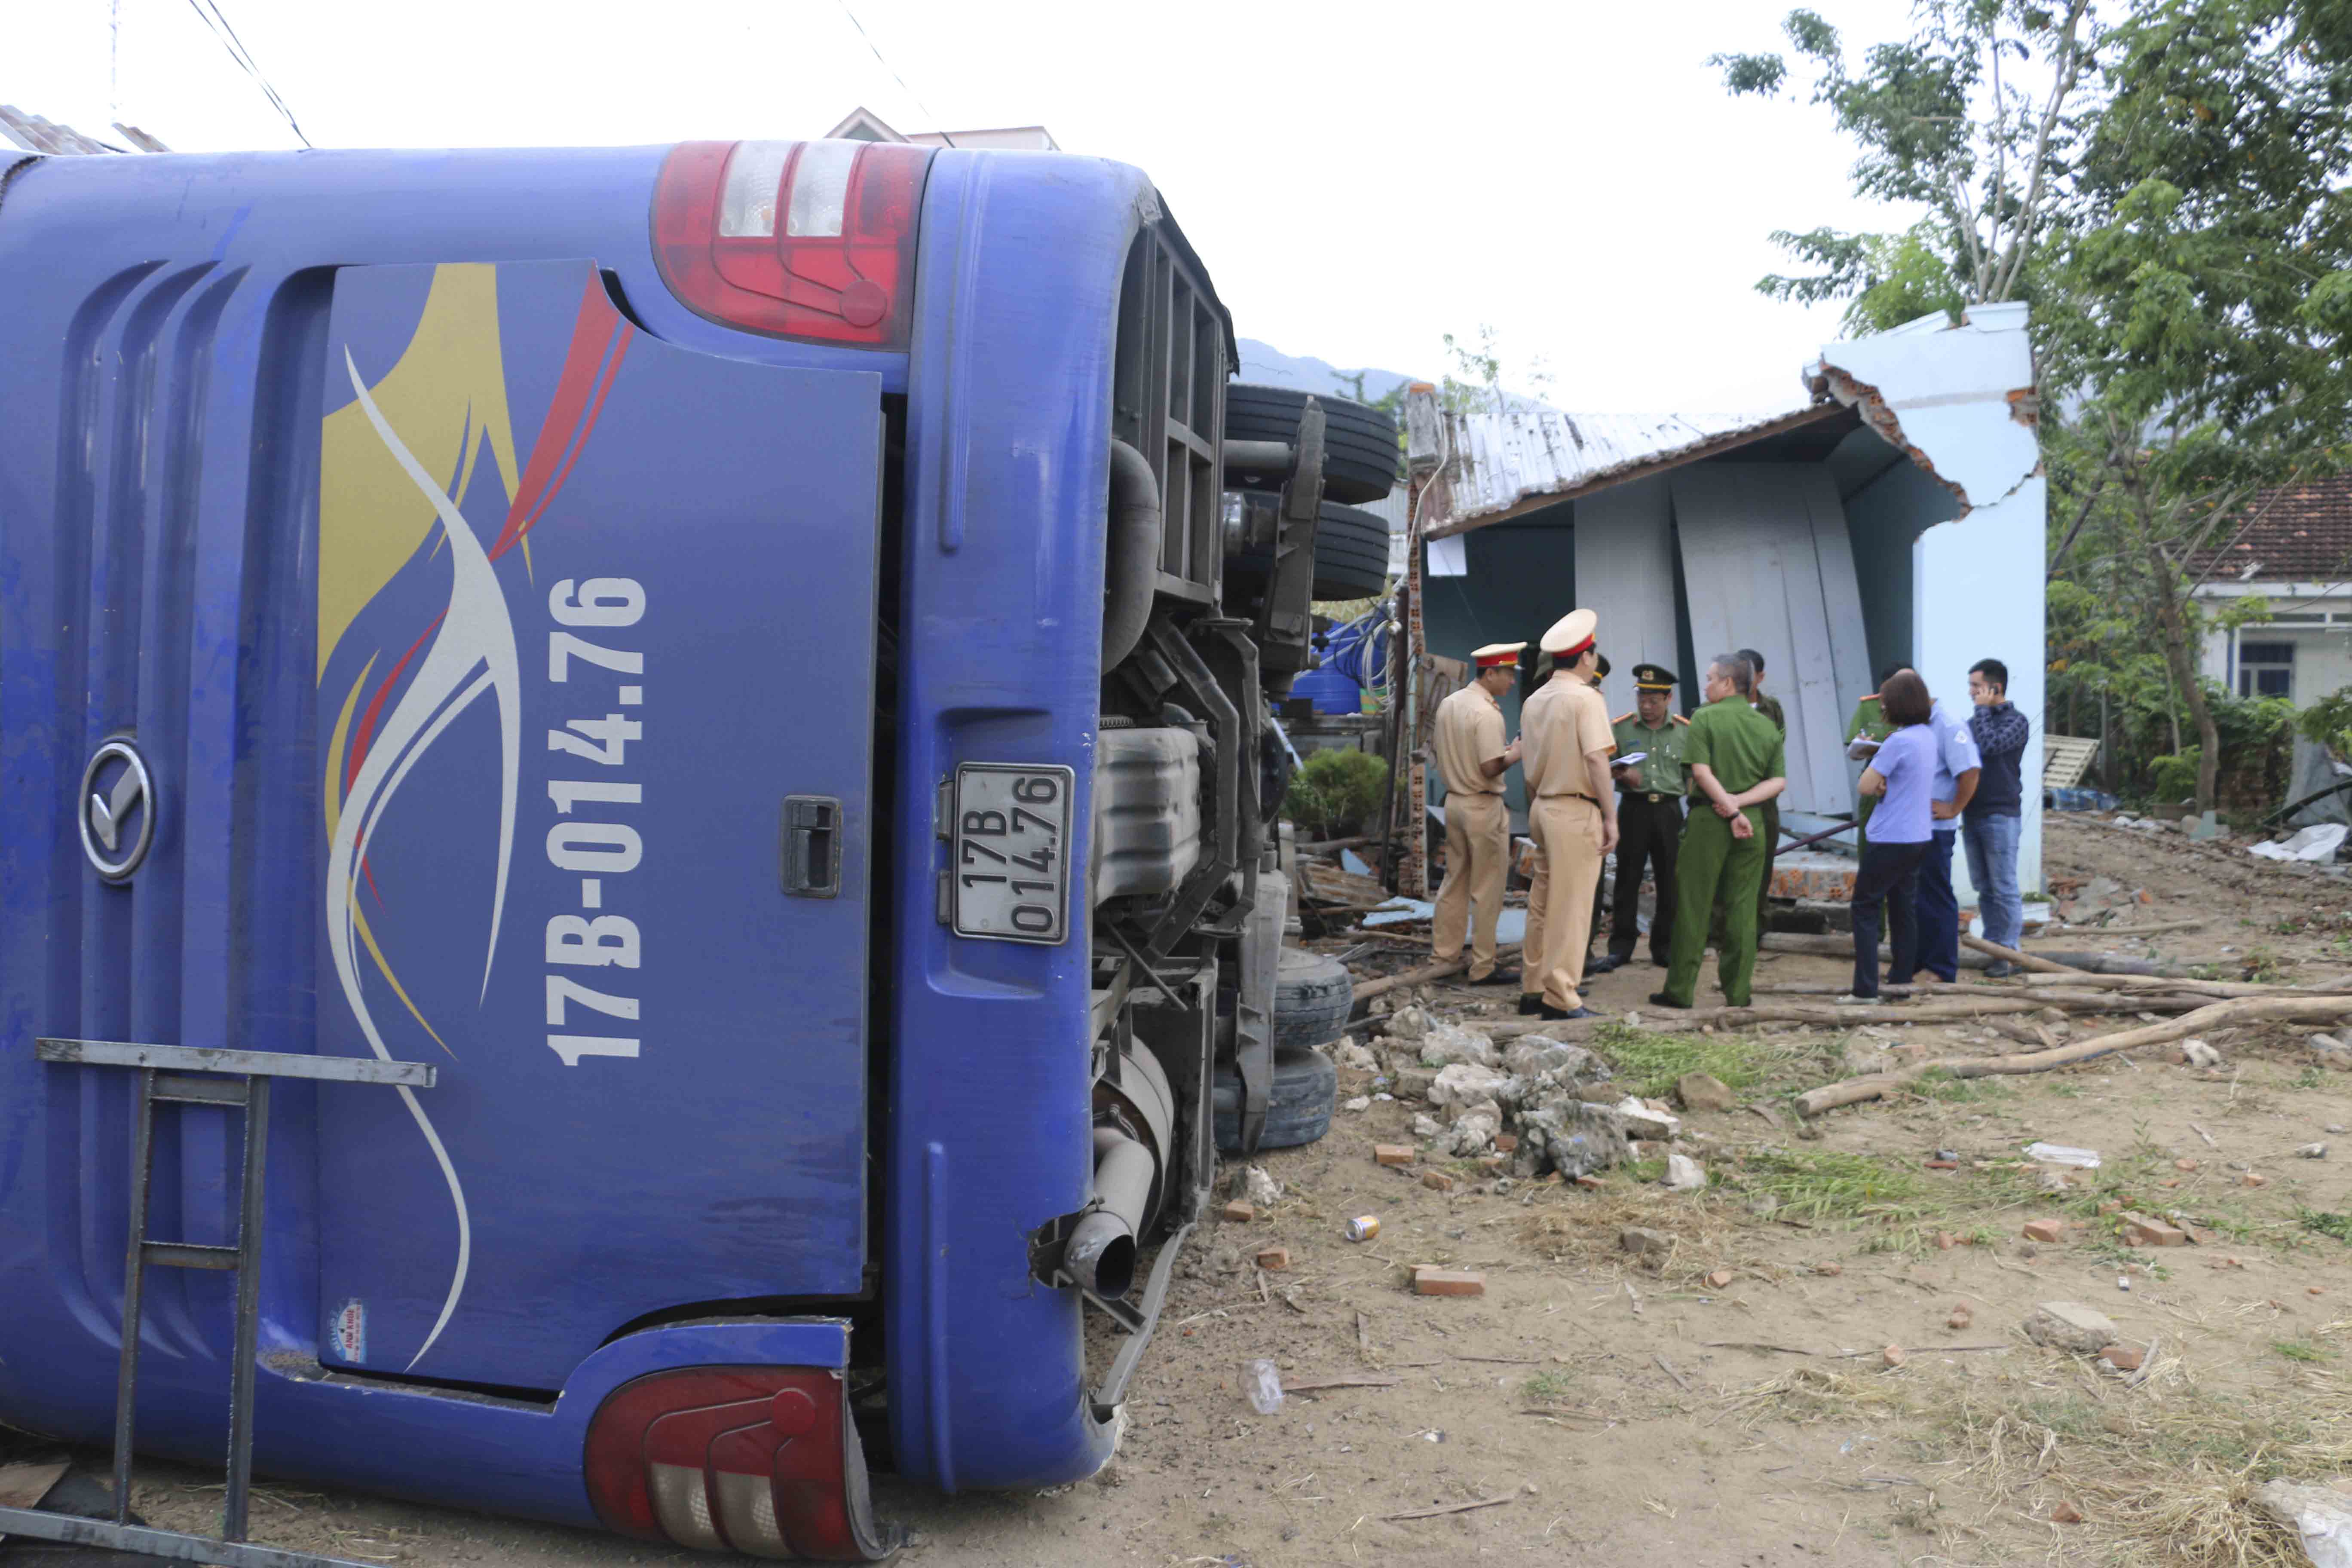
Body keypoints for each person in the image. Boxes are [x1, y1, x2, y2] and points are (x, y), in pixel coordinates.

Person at [1653, 654, 1785, 1011]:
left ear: (1729, 684)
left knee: (1695, 905)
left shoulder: (1705, 717)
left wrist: (1727, 805)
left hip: (1710, 820)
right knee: (1743, 909)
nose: (1706, 685)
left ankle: (1680, 990)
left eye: (1711, 679)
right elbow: (1778, 782)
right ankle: (1738, 992)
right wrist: (1741, 804)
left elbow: (1700, 771)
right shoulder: (1766, 726)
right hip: (1753, 822)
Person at [1517, 609, 1619, 1022]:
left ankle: (1533, 988)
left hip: (1543, 806)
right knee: (1573, 907)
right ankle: (1561, 996)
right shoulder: (1586, 698)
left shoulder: (1534, 700)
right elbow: (1597, 761)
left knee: (1542, 903)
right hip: (1575, 808)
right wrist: (1611, 818)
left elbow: (1527, 762)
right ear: (1586, 658)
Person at [1430, 642, 1526, 986]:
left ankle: (1443, 957)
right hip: (1482, 804)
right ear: (1490, 673)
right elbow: (1489, 767)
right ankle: (1483, 966)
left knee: (1454, 883)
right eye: (1508, 674)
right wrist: (1516, 752)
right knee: (1487, 889)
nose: (1512, 682)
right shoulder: (1487, 714)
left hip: (1454, 801)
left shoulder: (1450, 703)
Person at [1841, 670, 1938, 1001]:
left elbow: (1866, 785)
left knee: (1865, 908)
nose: (1882, 708)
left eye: (1885, 702)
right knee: (1903, 909)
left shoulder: (1898, 741)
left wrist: (1880, 781)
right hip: (1919, 835)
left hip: (1890, 837)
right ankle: (1900, 984)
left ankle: (1865, 989)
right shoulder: (1927, 736)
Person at [1591, 663, 1687, 974]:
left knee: (1670, 880)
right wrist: (1622, 775)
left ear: (1668, 699)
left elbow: (1693, 773)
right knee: (1627, 880)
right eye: (1641, 699)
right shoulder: (1622, 728)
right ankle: (1621, 947)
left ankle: (1665, 947)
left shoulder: (1685, 731)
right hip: (1633, 808)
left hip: (1670, 811)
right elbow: (1601, 766)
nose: (1646, 707)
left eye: (1654, 701)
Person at [1911, 672, 1983, 983]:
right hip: (1911, 827)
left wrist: (1954, 808)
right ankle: (1916, 963)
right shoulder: (1915, 723)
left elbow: (1970, 772)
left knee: (1936, 896)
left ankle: (1942, 968)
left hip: (1936, 829)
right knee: (1916, 898)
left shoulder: (1950, 726)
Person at [1963, 658, 2031, 977]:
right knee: (1985, 887)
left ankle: (2010, 953)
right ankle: (1993, 949)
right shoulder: (1976, 720)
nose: (1972, 693)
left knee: (2004, 886)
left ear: (1996, 688)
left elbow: (1990, 745)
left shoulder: (2016, 721)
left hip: (2001, 815)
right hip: (1973, 812)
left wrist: (1982, 710)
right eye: (1971, 687)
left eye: (1976, 687)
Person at [1740, 647, 1786, 933]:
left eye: (1749, 674)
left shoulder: (1772, 709)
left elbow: (1777, 747)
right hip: (1731, 798)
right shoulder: (1718, 708)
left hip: (1765, 799)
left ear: (1760, 677)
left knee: (1763, 865)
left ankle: (1756, 928)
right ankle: (1721, 933)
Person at [1844, 665, 1902, 849]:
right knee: (1869, 840)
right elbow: (1853, 752)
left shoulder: (1919, 714)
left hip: (1903, 783)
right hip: (1874, 779)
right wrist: (1861, 744)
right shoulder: (1869, 707)